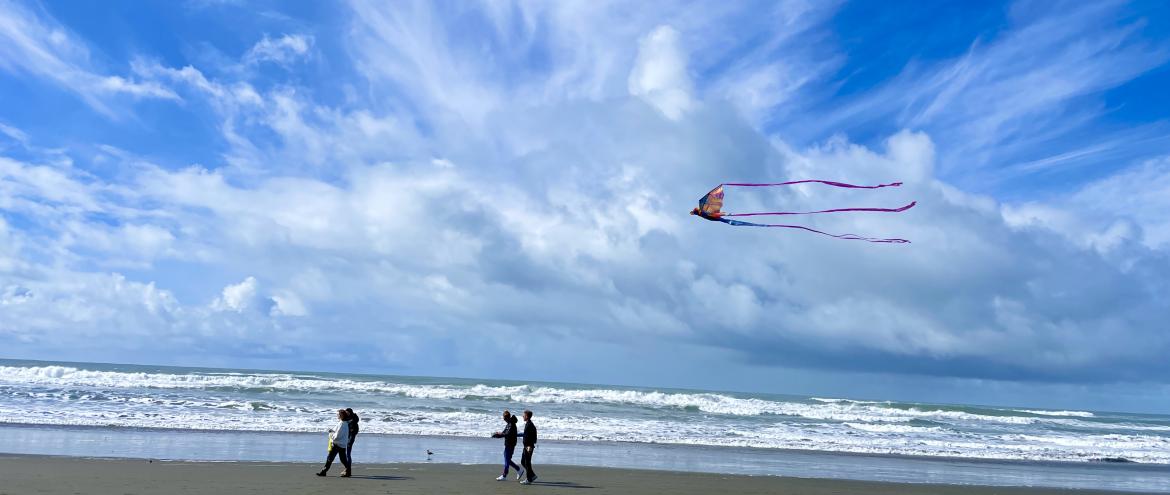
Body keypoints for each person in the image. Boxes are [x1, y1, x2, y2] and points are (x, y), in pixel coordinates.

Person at [316, 409, 351, 478]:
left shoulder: (342, 424)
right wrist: (332, 431)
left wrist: (331, 434)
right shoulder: (343, 423)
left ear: (341, 415)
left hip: (337, 444)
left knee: (330, 458)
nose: (337, 415)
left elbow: (337, 436)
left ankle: (324, 472)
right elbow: (337, 432)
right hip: (342, 444)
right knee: (342, 459)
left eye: (338, 414)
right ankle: (348, 471)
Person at [491, 410, 523, 481]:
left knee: (507, 459)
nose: (504, 420)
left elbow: (507, 434)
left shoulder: (511, 424)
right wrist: (498, 434)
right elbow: (504, 432)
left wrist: (500, 435)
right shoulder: (509, 424)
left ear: (507, 417)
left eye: (504, 418)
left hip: (511, 444)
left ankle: (504, 475)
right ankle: (519, 470)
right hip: (508, 443)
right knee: (507, 459)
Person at [518, 409, 538, 485]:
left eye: (524, 415)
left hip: (528, 446)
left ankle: (529, 479)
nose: (523, 416)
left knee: (527, 462)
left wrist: (530, 445)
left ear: (526, 416)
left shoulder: (530, 425)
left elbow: (531, 436)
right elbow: (526, 434)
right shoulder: (529, 424)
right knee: (523, 462)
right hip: (527, 446)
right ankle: (532, 475)